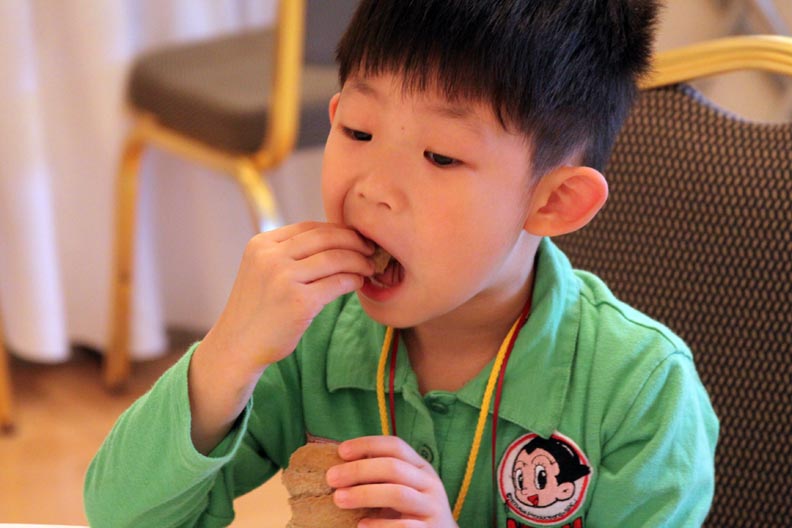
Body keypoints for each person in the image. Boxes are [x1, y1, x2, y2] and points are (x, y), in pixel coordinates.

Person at [84, 1, 719, 526]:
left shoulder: (641, 392)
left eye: (441, 157)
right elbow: (119, 516)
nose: (374, 189)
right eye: (358, 132)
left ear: (553, 201)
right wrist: (229, 352)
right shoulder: (308, 332)